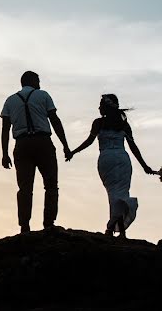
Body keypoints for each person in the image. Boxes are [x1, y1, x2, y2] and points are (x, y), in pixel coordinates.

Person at [65, 94, 157, 238]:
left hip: (106, 160)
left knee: (113, 195)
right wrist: (145, 166)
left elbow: (89, 141)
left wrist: (73, 152)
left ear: (106, 107)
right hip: (123, 159)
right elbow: (133, 147)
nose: (98, 107)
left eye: (101, 104)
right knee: (121, 194)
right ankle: (120, 231)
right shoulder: (123, 125)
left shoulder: (98, 123)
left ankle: (112, 229)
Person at [0, 71, 72, 233]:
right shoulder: (43, 95)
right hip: (43, 143)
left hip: (22, 144)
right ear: (32, 81)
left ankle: (24, 225)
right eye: (38, 80)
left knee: (25, 187)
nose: (40, 83)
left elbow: (5, 129)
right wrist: (65, 145)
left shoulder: (10, 100)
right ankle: (49, 223)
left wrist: (4, 153)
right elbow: (54, 120)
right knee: (51, 184)